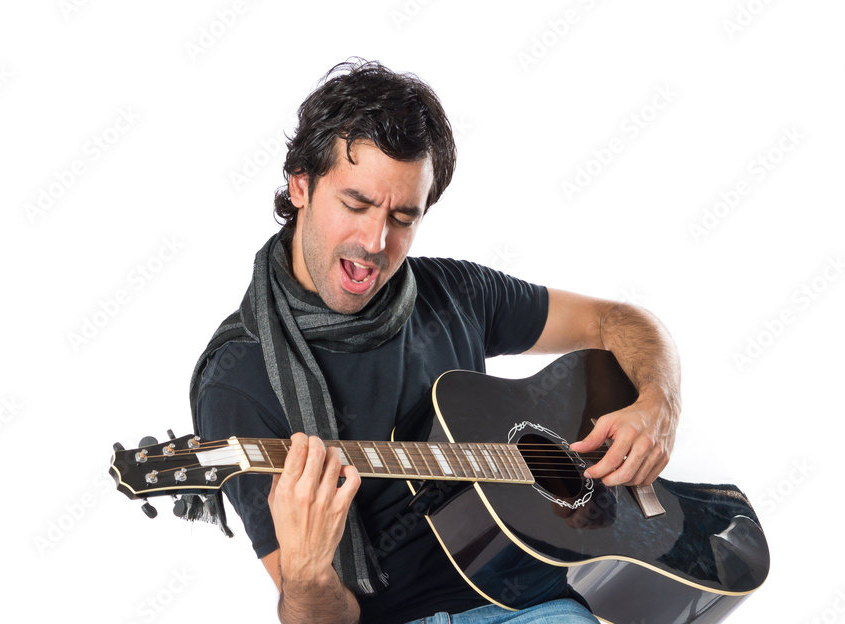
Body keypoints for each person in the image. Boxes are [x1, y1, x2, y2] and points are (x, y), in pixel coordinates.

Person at [190, 59, 680, 624]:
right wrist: (306, 574)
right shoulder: (240, 381)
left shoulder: (453, 292)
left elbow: (615, 320)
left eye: (404, 216)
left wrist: (657, 402)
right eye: (355, 204)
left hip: (540, 602)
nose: (376, 241)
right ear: (300, 184)